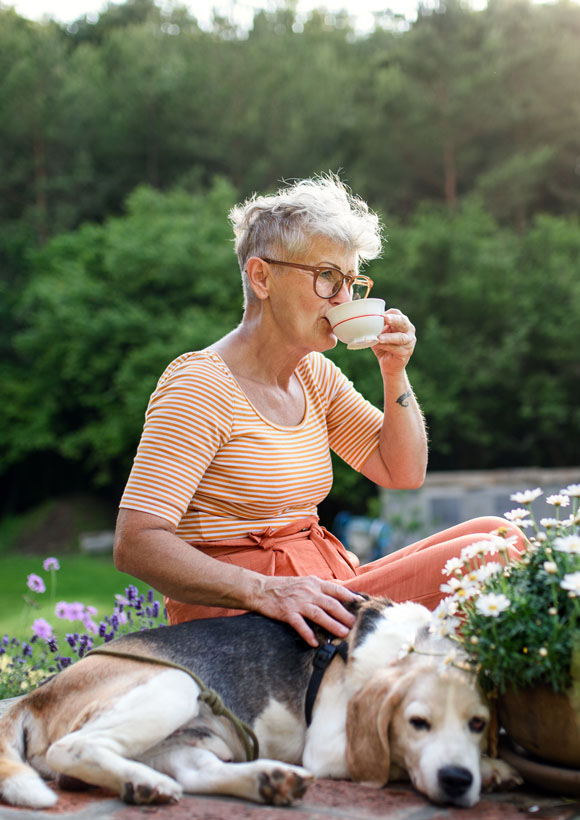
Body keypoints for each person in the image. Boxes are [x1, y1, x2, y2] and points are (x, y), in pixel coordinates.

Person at [114, 175, 525, 647]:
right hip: (252, 621)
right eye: (328, 276)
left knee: (498, 531)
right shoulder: (200, 386)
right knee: (487, 555)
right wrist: (266, 591)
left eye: (351, 282)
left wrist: (395, 371)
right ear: (261, 277)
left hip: (323, 594)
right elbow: (136, 543)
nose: (344, 300)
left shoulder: (314, 375)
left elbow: (403, 470)